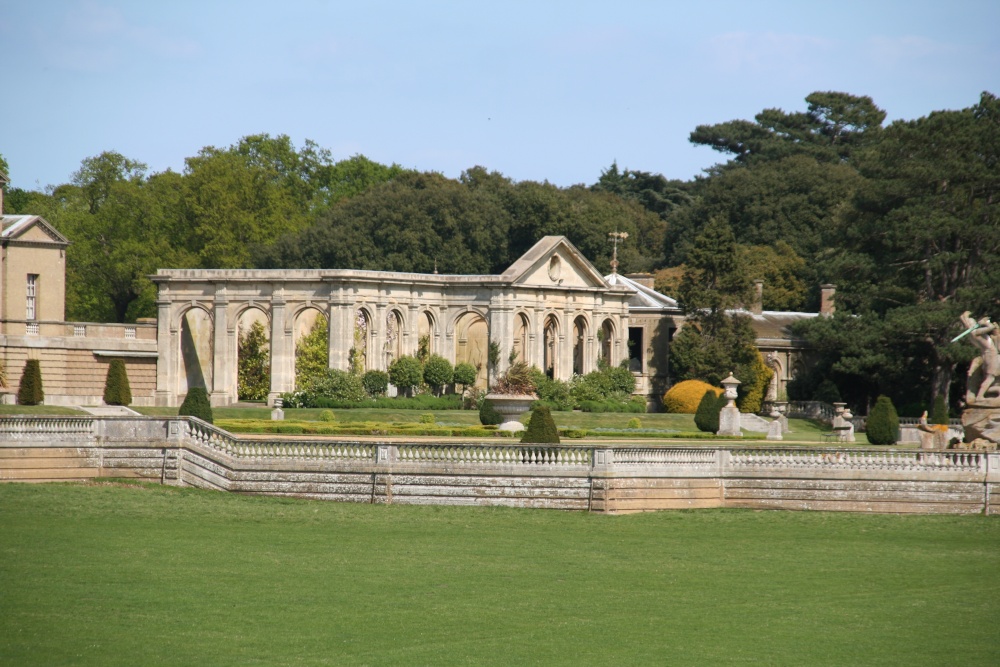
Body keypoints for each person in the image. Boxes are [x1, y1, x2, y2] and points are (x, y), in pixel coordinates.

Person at [960, 311, 1000, 401]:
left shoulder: (972, 334)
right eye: (973, 321)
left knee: (989, 378)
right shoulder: (976, 332)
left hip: (987, 355)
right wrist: (983, 323)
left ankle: (986, 392)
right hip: (991, 355)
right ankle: (980, 396)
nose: (974, 322)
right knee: (991, 377)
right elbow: (991, 327)